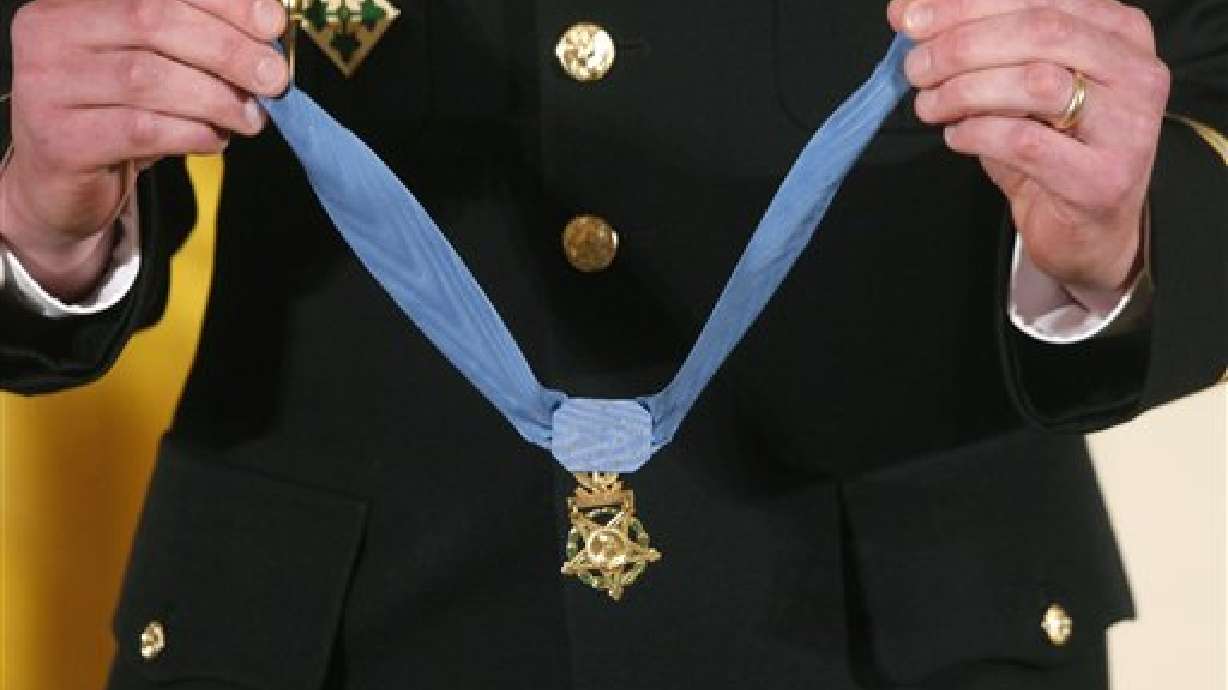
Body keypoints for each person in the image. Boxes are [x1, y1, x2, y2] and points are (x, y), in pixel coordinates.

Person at [1, 0, 1224, 688]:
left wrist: (1108, 242)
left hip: (904, 640)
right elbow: (46, 81)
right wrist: (40, 215)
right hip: (332, 640)